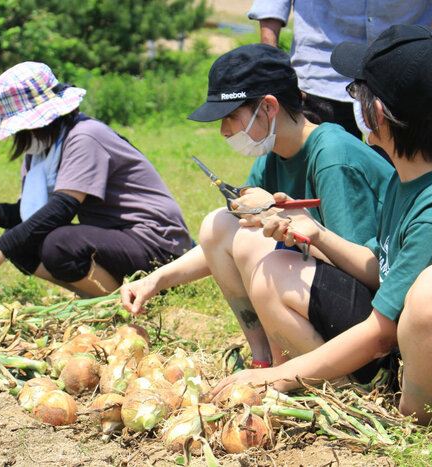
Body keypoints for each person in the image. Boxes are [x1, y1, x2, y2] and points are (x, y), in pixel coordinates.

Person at [212, 25, 432, 424]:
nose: (354, 103)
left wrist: (280, 378)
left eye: (358, 93)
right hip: (420, 342)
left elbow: (381, 332)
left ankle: (417, 426)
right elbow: (382, 270)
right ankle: (374, 390)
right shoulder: (410, 176)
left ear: (377, 112)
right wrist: (317, 235)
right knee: (280, 268)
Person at [121, 44, 393, 369]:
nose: (224, 131)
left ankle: (317, 375)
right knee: (217, 225)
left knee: (253, 238)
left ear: (268, 107)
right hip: (329, 301)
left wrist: (289, 228)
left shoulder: (332, 157)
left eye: (231, 117)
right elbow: (221, 244)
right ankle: (263, 361)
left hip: (374, 331)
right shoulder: (274, 155)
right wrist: (155, 280)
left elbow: (369, 272)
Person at [0, 62, 193, 297]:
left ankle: (123, 301)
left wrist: (0, 248)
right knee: (20, 244)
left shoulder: (84, 137)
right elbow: (35, 211)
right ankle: (99, 295)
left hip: (156, 243)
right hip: (118, 238)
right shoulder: (41, 150)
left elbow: (63, 207)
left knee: (59, 244)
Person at [247, 0, 432, 140]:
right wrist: (269, 55)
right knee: (321, 171)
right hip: (321, 64)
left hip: (404, 60)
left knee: (410, 169)